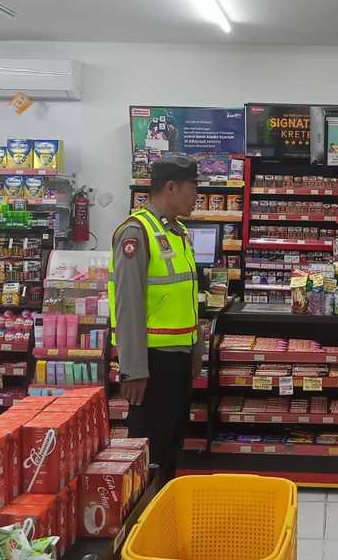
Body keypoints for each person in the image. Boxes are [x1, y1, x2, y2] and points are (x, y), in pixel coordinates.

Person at [108, 156, 203, 484]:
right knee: (150, 451)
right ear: (171, 187)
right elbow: (128, 305)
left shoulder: (178, 232)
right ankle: (145, 511)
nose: (197, 196)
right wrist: (133, 369)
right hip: (151, 364)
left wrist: (195, 347)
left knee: (172, 443)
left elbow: (185, 294)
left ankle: (165, 505)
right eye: (193, 188)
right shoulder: (136, 233)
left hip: (177, 359)